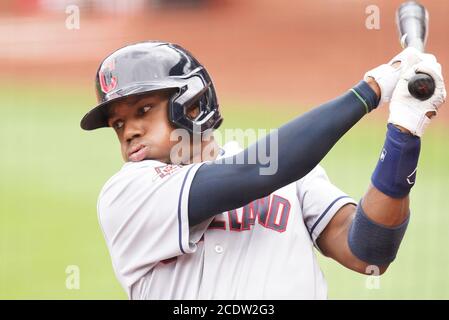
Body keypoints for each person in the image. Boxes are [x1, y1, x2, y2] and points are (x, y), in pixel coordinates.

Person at [80, 41, 446, 299]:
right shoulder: (127, 193)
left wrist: (403, 133)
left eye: (143, 110)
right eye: (117, 124)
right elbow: (259, 170)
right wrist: (371, 91)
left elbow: (369, 252)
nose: (129, 131)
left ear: (191, 105)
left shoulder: (293, 175)